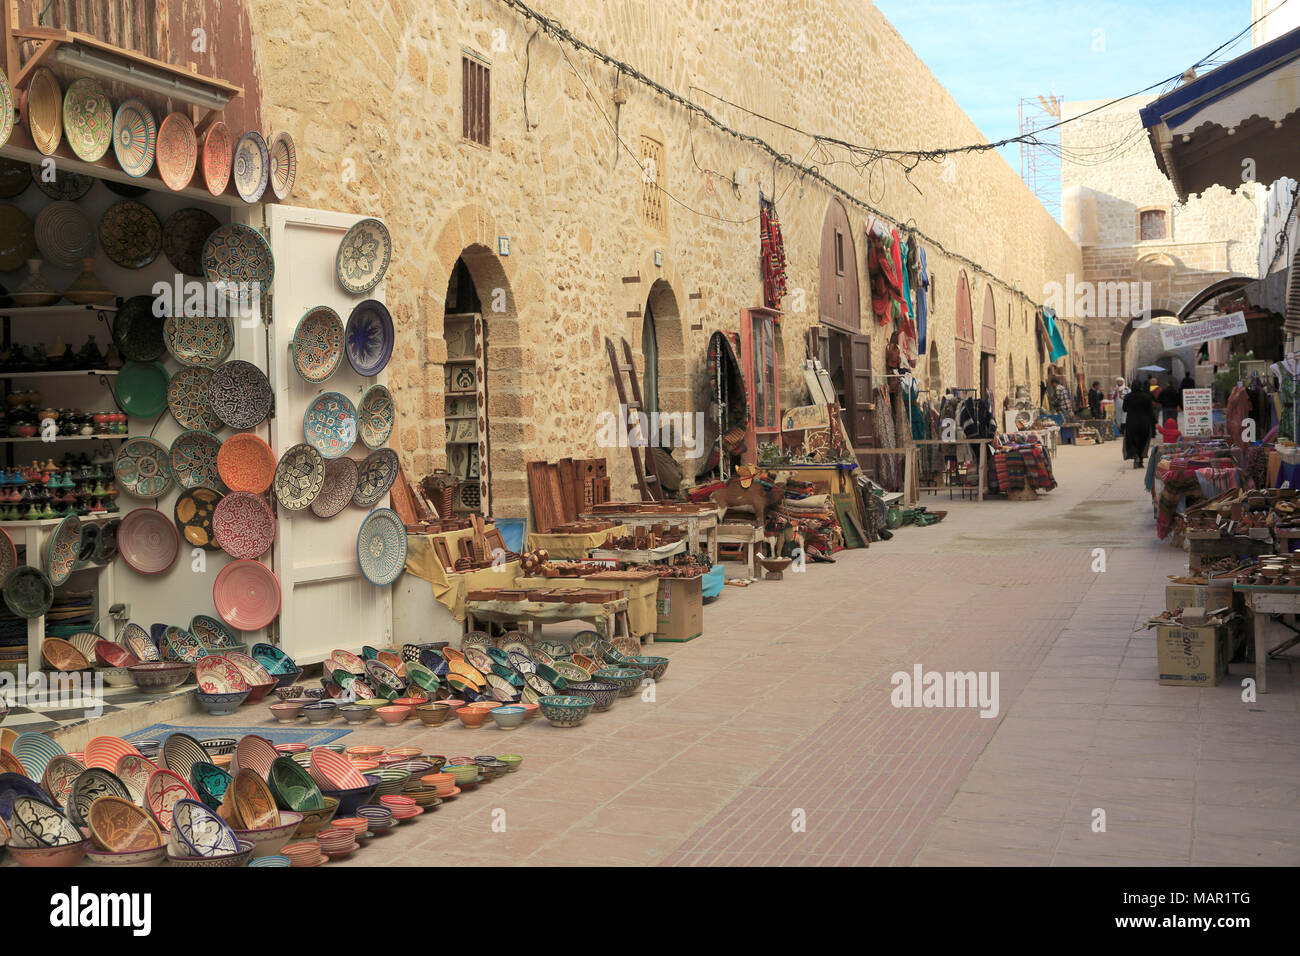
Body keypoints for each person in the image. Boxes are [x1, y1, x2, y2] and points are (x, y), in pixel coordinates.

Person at [1122, 376, 1156, 469]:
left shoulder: (1128, 397)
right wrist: (1154, 422)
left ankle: (1135, 455)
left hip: (1131, 422)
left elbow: (1124, 409)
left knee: (1132, 440)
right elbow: (1150, 411)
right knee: (1143, 440)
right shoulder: (1146, 397)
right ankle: (1140, 461)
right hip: (1144, 422)